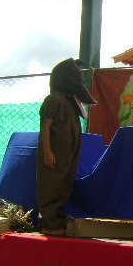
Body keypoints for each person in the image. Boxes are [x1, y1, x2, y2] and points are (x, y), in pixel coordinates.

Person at [36, 58, 96, 236]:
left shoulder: (70, 102)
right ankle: (49, 222)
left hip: (67, 154)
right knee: (51, 185)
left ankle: (58, 220)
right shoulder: (53, 100)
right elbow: (46, 126)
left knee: (64, 184)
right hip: (55, 154)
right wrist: (48, 151)